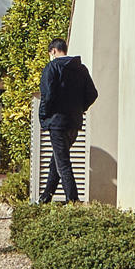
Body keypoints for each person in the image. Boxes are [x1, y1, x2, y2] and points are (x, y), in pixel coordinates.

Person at [37, 37, 97, 204]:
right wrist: (79, 108)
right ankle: (45, 198)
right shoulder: (81, 69)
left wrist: (43, 117)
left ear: (54, 51)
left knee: (63, 163)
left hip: (57, 122)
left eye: (50, 53)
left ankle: (73, 200)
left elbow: (47, 95)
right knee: (56, 160)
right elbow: (92, 94)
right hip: (74, 122)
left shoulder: (52, 67)